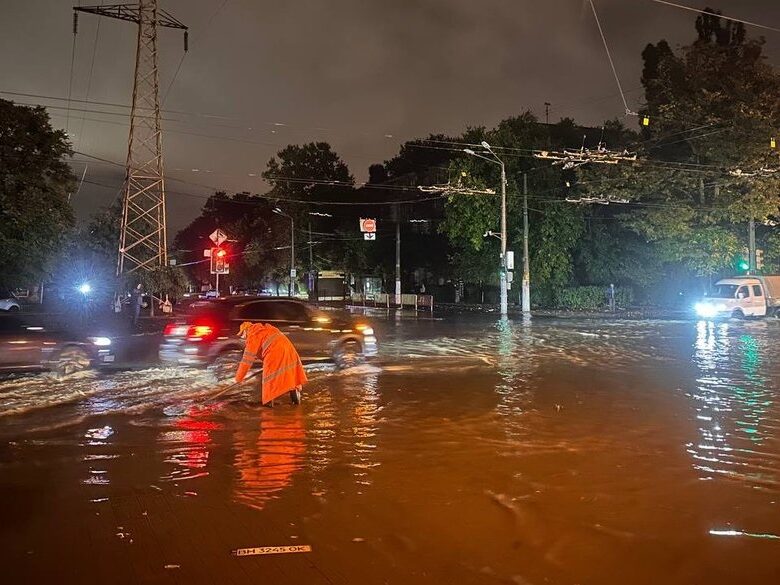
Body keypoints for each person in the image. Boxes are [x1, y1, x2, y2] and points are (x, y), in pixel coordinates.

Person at [235, 321, 307, 406]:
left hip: (275, 353)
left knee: (269, 380)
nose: (243, 337)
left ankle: (268, 406)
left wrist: (239, 378)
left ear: (245, 331)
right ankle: (296, 402)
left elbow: (246, 360)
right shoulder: (266, 330)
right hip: (289, 350)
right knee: (291, 374)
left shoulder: (253, 336)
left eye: (242, 334)